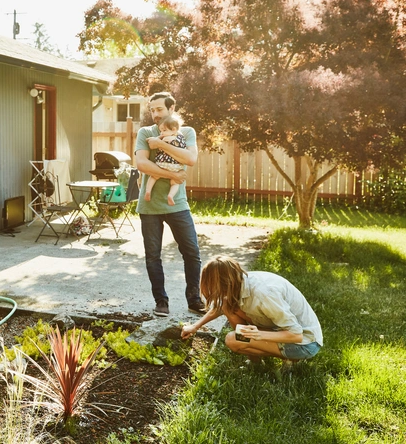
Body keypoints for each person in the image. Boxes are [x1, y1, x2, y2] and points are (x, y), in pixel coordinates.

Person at [135, 91, 206, 317]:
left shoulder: (186, 132)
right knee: (153, 256)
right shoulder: (145, 132)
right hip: (150, 207)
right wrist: (173, 176)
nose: (155, 114)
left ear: (171, 109)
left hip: (177, 204)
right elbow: (142, 164)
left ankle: (194, 298)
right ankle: (161, 301)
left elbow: (191, 159)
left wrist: (161, 144)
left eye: (159, 109)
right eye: (152, 109)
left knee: (192, 252)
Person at [181, 256, 323, 363]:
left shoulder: (264, 294)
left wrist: (259, 335)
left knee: (232, 339)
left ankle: (290, 359)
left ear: (225, 284)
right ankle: (254, 362)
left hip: (305, 343)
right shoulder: (240, 281)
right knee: (228, 305)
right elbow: (219, 307)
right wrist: (195, 326)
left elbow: (296, 335)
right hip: (280, 329)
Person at [144, 114, 186, 205]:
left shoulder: (167, 138)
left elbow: (157, 142)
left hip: (163, 164)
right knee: (175, 183)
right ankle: (170, 195)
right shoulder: (180, 138)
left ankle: (148, 191)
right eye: (160, 131)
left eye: (164, 130)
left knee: (153, 176)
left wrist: (153, 139)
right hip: (175, 166)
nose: (161, 133)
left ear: (174, 130)